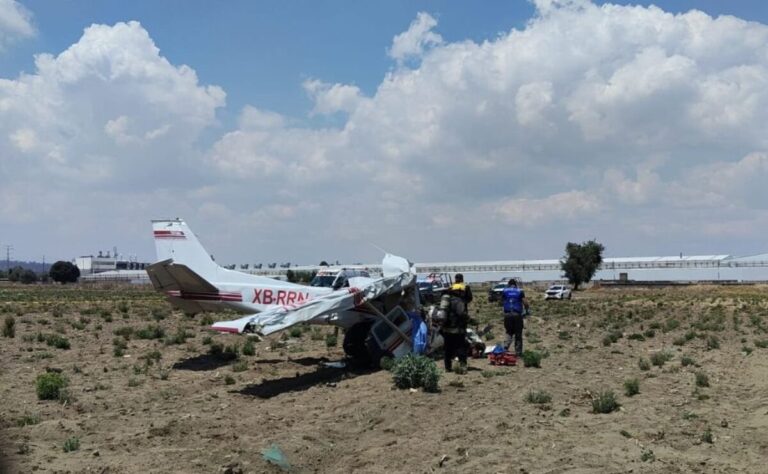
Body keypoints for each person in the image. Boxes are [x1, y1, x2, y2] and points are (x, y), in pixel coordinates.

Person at [439, 293, 469, 372]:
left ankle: (447, 367)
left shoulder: (446, 301)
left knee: (447, 349)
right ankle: (463, 366)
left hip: (446, 330)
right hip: (457, 330)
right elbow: (462, 314)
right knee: (460, 348)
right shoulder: (458, 301)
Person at [501, 278, 530, 356]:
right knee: (518, 333)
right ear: (515, 284)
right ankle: (518, 352)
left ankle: (505, 347)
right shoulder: (520, 291)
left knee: (509, 331)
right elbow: (525, 302)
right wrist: (527, 310)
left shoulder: (504, 291)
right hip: (517, 314)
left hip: (507, 314)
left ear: (509, 284)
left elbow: (502, 301)